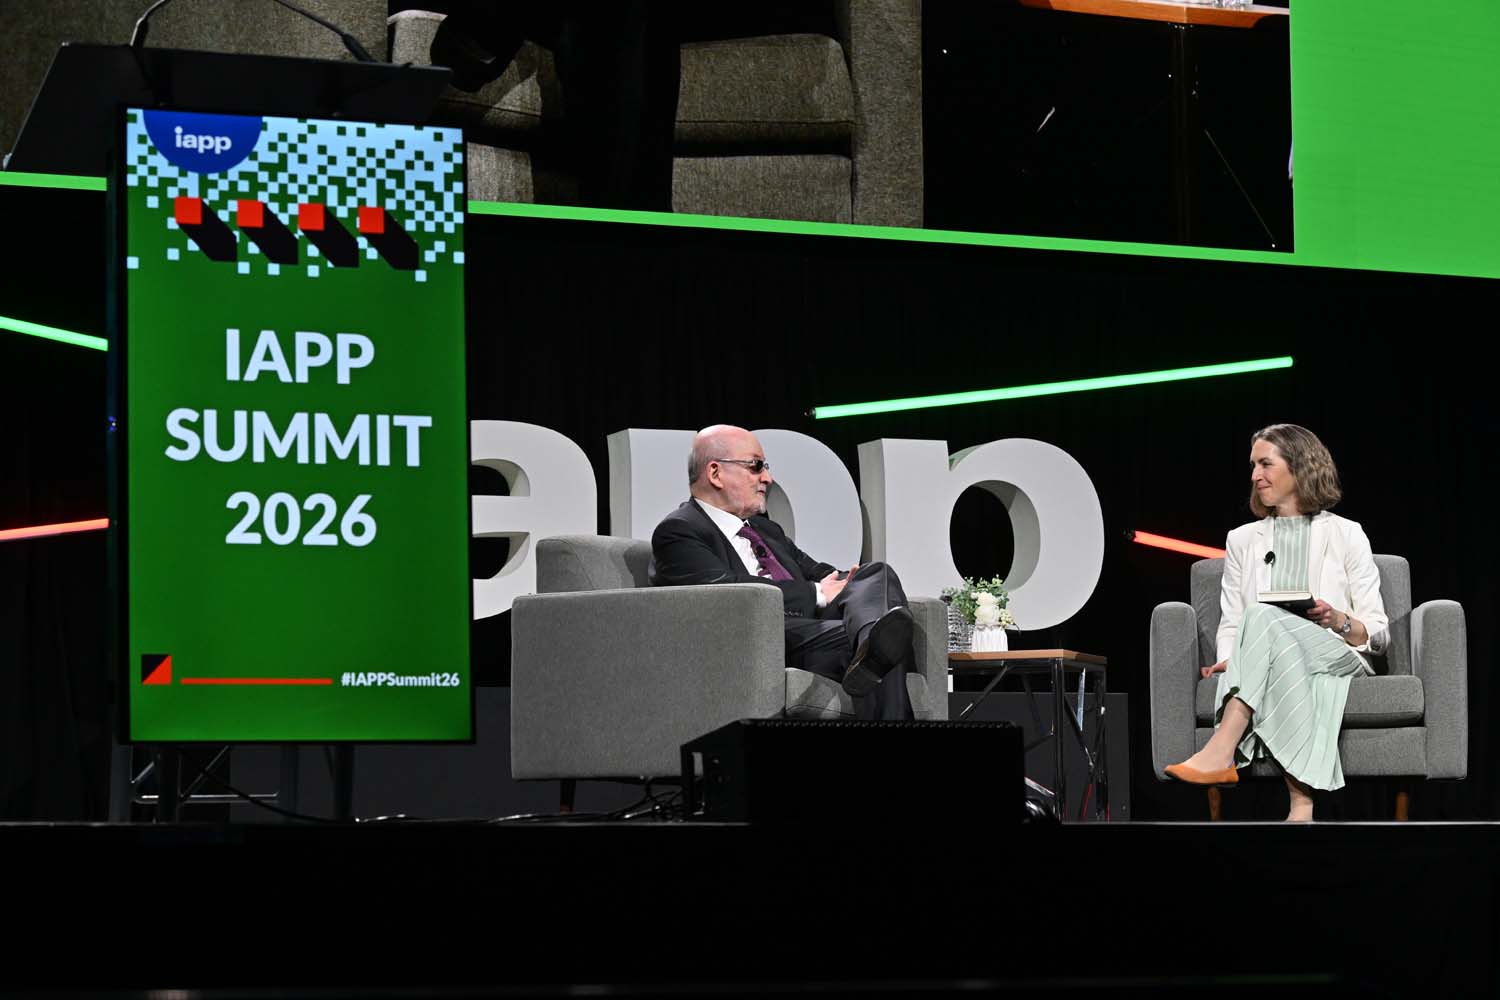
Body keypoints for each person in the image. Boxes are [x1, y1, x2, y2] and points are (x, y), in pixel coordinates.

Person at [1166, 424, 1389, 821]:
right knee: (1264, 622)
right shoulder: (1241, 540)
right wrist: (1232, 660)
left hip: (1337, 652)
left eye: (1266, 463)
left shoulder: (1346, 534)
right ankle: (1301, 805)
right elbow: (1232, 620)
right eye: (1253, 465)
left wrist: (1338, 620)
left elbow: (1378, 632)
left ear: (1299, 467)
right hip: (1279, 657)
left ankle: (1221, 749)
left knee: (1264, 616)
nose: (1255, 475)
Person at [650, 425, 915, 721]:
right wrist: (816, 593)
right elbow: (729, 594)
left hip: (811, 631)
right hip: (759, 639)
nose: (768, 478)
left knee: (876, 574)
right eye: (756, 466)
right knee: (885, 638)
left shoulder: (766, 529)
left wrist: (850, 584)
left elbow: (819, 571)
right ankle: (873, 646)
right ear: (715, 473)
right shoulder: (679, 531)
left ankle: (871, 642)